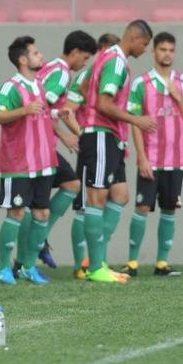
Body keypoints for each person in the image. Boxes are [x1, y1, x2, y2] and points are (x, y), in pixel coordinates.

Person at [77, 20, 157, 284]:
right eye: (145, 44)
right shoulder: (117, 62)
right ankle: (96, 266)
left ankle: (96, 260)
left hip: (112, 137)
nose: (145, 50)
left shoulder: (108, 57)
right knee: (97, 197)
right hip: (100, 134)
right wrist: (136, 120)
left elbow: (84, 87)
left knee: (120, 196)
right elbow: (103, 103)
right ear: (134, 37)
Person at [0, 36, 66, 285]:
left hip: (43, 162)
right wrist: (23, 110)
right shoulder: (11, 86)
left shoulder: (39, 85)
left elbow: (39, 113)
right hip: (18, 163)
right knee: (17, 212)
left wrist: (56, 113)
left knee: (42, 213)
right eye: (35, 53)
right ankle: (3, 268)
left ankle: (28, 267)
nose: (40, 56)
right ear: (23, 59)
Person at [126, 32, 183, 277]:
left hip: (176, 160)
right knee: (142, 207)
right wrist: (142, 156)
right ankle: (133, 263)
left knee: (169, 209)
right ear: (153, 52)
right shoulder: (141, 84)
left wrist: (178, 98)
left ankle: (161, 264)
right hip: (151, 159)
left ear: (174, 53)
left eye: (171, 50)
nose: (167, 54)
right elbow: (135, 123)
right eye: (162, 49)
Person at [27, 30, 98, 274]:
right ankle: (34, 246)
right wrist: (64, 134)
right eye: (85, 58)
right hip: (39, 146)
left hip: (39, 143)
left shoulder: (51, 68)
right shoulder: (61, 73)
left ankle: (36, 244)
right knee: (43, 201)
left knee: (70, 184)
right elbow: (42, 107)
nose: (85, 63)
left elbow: (52, 110)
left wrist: (74, 133)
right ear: (75, 52)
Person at [63, 32, 121, 278]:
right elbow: (67, 111)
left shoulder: (114, 72)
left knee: (120, 195)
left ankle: (96, 256)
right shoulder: (87, 75)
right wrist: (83, 134)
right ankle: (81, 265)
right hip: (95, 142)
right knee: (86, 205)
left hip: (112, 143)